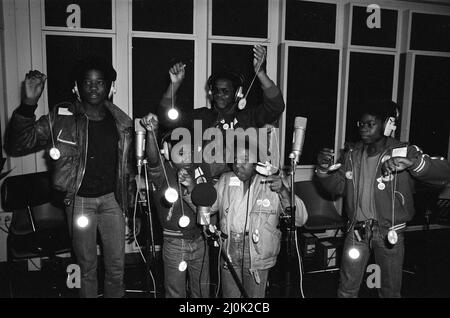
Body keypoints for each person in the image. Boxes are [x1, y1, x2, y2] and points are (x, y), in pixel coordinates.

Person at [5, 57, 135, 298]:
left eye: (100, 82)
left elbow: (126, 170)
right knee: (87, 268)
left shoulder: (122, 122)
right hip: (79, 202)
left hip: (112, 202)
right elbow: (18, 143)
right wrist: (28, 103)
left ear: (110, 87)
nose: (94, 87)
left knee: (116, 268)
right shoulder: (60, 116)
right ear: (77, 86)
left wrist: (130, 206)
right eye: (87, 82)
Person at [315, 100, 450, 298]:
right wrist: (324, 170)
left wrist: (413, 164)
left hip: (389, 233)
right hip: (357, 231)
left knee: (389, 292)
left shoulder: (404, 150)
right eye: (361, 124)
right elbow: (338, 187)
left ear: (388, 125)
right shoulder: (352, 154)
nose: (364, 129)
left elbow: (444, 173)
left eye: (371, 124)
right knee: (346, 289)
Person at [158, 45, 285, 178]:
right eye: (216, 91)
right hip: (205, 185)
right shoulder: (201, 116)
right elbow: (165, 118)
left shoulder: (248, 117)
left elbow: (276, 106)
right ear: (211, 93)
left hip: (238, 187)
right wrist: (174, 85)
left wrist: (260, 73)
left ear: (237, 94)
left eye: (225, 91)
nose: (219, 95)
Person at [210, 141, 308, 298]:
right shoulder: (225, 180)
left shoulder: (273, 181)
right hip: (229, 248)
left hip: (257, 250)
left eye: (245, 159)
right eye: (235, 159)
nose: (238, 165)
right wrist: (189, 189)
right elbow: (206, 207)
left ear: (257, 162)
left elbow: (300, 219)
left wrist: (283, 191)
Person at [141, 112, 212, 298]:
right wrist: (151, 132)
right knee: (175, 294)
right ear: (167, 149)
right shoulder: (162, 171)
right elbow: (153, 160)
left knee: (202, 292)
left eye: (189, 150)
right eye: (180, 151)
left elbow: (207, 209)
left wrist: (192, 186)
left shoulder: (201, 168)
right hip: (174, 243)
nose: (186, 156)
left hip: (200, 240)